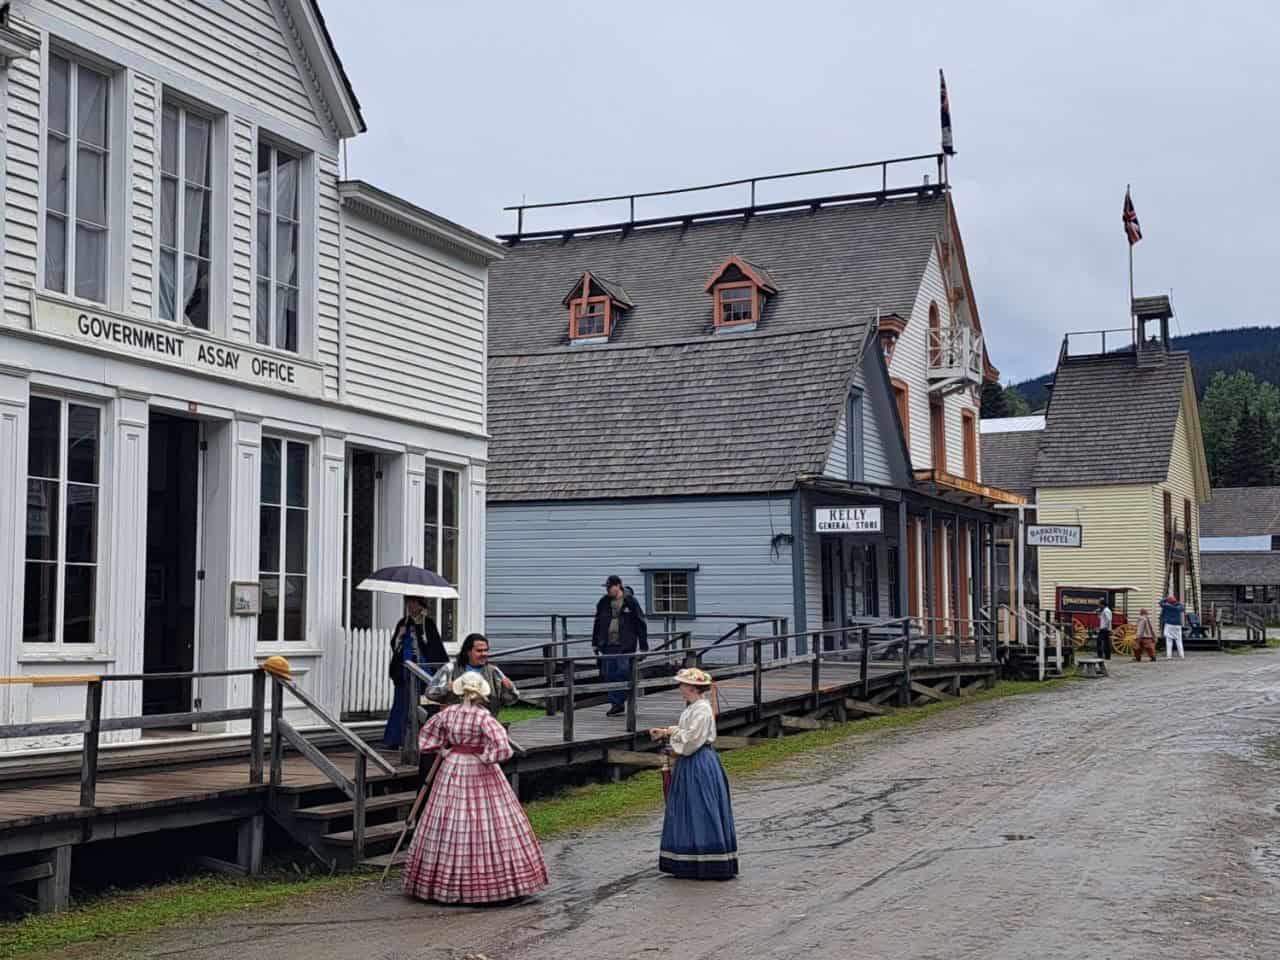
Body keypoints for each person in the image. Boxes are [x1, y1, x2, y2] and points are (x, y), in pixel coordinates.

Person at [403, 672, 548, 904]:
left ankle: (441, 883)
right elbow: (503, 748)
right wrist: (486, 757)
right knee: (489, 822)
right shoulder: (484, 718)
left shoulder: (448, 713)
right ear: (481, 694)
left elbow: (427, 737)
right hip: (479, 768)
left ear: (460, 692)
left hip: (452, 767)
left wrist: (443, 751)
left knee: (449, 818)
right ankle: (489, 886)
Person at [650, 667, 738, 880]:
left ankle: (709, 862)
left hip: (699, 762)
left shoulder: (701, 709)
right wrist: (667, 731)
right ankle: (689, 859)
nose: (680, 687)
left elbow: (691, 741)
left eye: (682, 684)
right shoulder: (693, 708)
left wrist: (672, 732)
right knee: (688, 806)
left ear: (691, 687)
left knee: (701, 807)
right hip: (690, 763)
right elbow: (688, 733)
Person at [383, 597, 449, 749]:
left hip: (422, 670)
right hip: (403, 670)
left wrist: (423, 639)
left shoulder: (427, 623)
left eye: (414, 603)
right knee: (401, 703)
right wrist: (400, 635)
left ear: (421, 606)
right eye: (408, 603)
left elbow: (434, 648)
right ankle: (395, 740)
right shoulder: (403, 622)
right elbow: (395, 646)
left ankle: (421, 738)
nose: (410, 606)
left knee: (422, 704)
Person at [592, 574, 648, 718]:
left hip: (625, 644)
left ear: (618, 585)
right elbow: (597, 622)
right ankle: (616, 704)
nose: (608, 590)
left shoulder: (630, 601)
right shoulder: (603, 602)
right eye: (607, 587)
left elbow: (640, 623)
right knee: (609, 674)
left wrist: (643, 646)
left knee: (622, 672)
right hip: (607, 644)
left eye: (610, 587)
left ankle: (626, 699)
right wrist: (595, 642)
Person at [427, 633, 520, 718]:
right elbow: (430, 693)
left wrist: (508, 689)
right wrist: (446, 689)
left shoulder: (494, 671)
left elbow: (510, 701)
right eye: (479, 651)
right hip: (455, 724)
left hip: (485, 724)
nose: (484, 654)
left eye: (486, 650)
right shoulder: (450, 669)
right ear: (468, 651)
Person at [1160, 594, 1186, 659]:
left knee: (1169, 640)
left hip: (1169, 624)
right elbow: (1183, 608)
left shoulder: (1166, 606)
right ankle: (1181, 655)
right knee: (1179, 640)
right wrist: (1176, 601)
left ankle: (1169, 656)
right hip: (1177, 625)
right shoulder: (1179, 607)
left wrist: (1166, 598)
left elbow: (1160, 603)